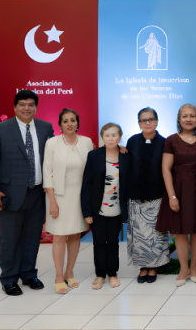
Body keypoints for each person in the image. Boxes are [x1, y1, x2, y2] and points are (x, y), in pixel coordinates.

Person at [0, 89, 54, 296]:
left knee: (32, 237)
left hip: (37, 193)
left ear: (35, 107)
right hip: (9, 194)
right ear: (15, 107)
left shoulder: (45, 127)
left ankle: (29, 274)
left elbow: (54, 155)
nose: (26, 108)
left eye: (31, 104)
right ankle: (9, 278)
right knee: (9, 238)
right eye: (22, 104)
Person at [156, 104, 196, 287]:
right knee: (179, 230)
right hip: (178, 188)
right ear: (179, 119)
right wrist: (172, 196)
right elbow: (165, 169)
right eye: (184, 116)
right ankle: (183, 268)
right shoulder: (171, 140)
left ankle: (195, 266)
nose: (188, 119)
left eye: (192, 116)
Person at [43, 108, 92, 294]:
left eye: (73, 120)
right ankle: (58, 275)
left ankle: (69, 271)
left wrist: (120, 148)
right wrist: (52, 201)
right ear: (60, 125)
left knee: (75, 234)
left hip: (80, 197)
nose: (70, 123)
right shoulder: (52, 143)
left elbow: (96, 162)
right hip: (58, 197)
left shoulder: (87, 142)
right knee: (60, 236)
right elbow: (47, 173)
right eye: (65, 121)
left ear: (78, 123)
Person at [81, 123, 129, 290]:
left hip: (117, 208)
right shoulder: (94, 155)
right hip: (97, 209)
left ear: (120, 137)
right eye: (107, 135)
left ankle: (113, 273)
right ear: (102, 137)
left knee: (113, 242)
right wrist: (86, 211)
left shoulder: (125, 156)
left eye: (114, 135)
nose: (111, 138)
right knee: (99, 242)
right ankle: (100, 274)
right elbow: (86, 184)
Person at [126, 107, 169, 284]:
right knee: (139, 236)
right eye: (144, 120)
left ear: (157, 121)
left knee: (155, 235)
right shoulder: (132, 141)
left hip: (157, 197)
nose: (148, 123)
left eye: (151, 119)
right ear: (139, 123)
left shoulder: (165, 143)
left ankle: (154, 267)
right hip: (136, 197)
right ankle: (143, 267)